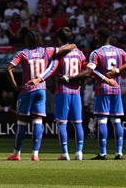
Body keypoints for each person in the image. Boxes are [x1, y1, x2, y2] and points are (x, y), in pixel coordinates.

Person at [4, 29, 74, 161]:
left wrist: (15, 86)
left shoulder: (23, 53)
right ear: (39, 40)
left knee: (21, 122)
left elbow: (8, 69)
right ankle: (35, 154)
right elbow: (67, 48)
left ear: (26, 41)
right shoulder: (46, 51)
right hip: (41, 89)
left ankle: (16, 154)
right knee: (38, 121)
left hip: (27, 89)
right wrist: (73, 45)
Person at [84, 27, 126, 159]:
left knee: (102, 121)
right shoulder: (120, 52)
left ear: (100, 37)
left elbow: (91, 71)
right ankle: (119, 152)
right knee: (117, 120)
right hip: (116, 88)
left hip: (103, 89)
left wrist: (104, 78)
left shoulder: (96, 53)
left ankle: (103, 152)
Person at [52, 27, 86, 161]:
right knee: (78, 123)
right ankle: (79, 153)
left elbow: (52, 69)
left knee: (62, 123)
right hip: (76, 91)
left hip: (62, 91)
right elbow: (86, 71)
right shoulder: (80, 53)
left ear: (59, 39)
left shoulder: (59, 53)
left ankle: (65, 153)